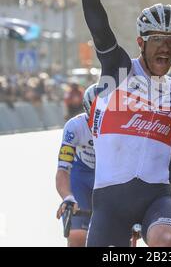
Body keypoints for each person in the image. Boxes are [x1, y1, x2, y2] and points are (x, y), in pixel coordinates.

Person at [75, 0, 171, 247]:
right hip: (111, 204)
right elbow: (102, 34)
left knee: (164, 239)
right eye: (158, 40)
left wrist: (170, 190)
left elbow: (165, 147)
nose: (166, 48)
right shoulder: (120, 70)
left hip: (157, 198)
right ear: (140, 42)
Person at [56, 83, 98, 247]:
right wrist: (67, 196)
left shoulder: (123, 127)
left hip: (110, 178)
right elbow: (62, 170)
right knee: (77, 236)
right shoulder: (75, 126)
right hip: (81, 177)